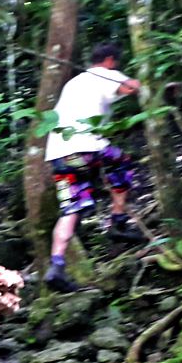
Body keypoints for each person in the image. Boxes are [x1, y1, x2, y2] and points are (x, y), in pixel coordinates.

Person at [43, 42, 146, 293]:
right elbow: (130, 87)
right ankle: (118, 222)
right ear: (110, 60)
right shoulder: (106, 74)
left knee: (71, 208)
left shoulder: (74, 82)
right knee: (121, 163)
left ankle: (56, 265)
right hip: (87, 147)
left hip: (60, 153)